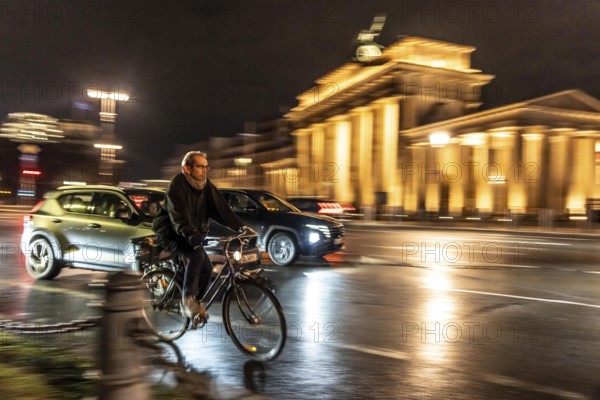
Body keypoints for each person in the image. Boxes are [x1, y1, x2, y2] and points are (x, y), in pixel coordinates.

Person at [152, 151, 246, 318]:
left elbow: (221, 209)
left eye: (206, 166)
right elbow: (179, 216)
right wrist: (193, 235)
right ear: (187, 168)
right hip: (170, 234)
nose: (204, 170)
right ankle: (187, 301)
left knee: (208, 269)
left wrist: (240, 227)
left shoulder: (205, 186)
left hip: (190, 235)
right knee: (196, 256)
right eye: (200, 166)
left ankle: (196, 302)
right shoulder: (177, 184)